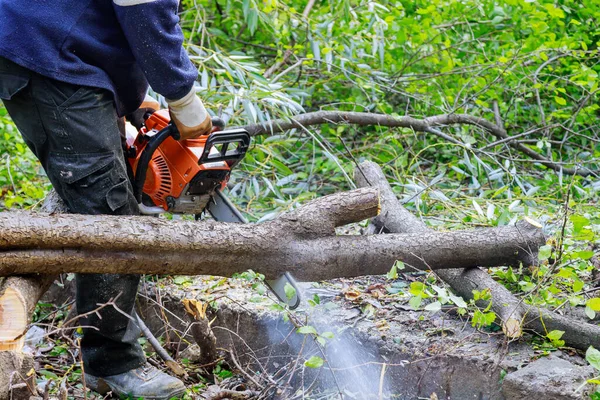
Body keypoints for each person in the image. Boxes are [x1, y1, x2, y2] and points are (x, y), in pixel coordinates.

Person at [0, 0, 211, 398]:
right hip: (48, 51)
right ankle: (111, 364)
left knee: (109, 192)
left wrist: (132, 101)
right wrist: (181, 97)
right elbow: (145, 10)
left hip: (64, 47)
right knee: (109, 215)